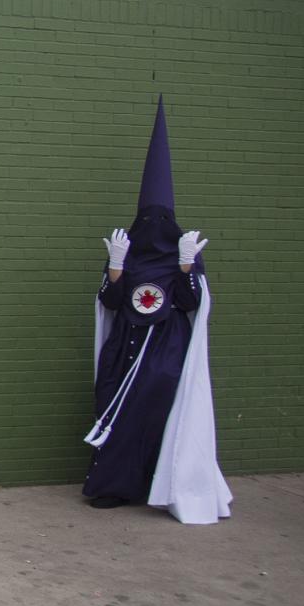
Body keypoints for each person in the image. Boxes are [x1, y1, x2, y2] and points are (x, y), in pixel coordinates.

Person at [82, 97, 232, 523]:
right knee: (116, 408)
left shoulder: (184, 253)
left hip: (165, 349)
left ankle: (159, 484)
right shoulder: (125, 253)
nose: (153, 225)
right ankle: (113, 485)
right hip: (124, 344)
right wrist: (114, 269)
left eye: (160, 218)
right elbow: (111, 304)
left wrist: (186, 267)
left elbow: (192, 304)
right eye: (147, 217)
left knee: (157, 410)